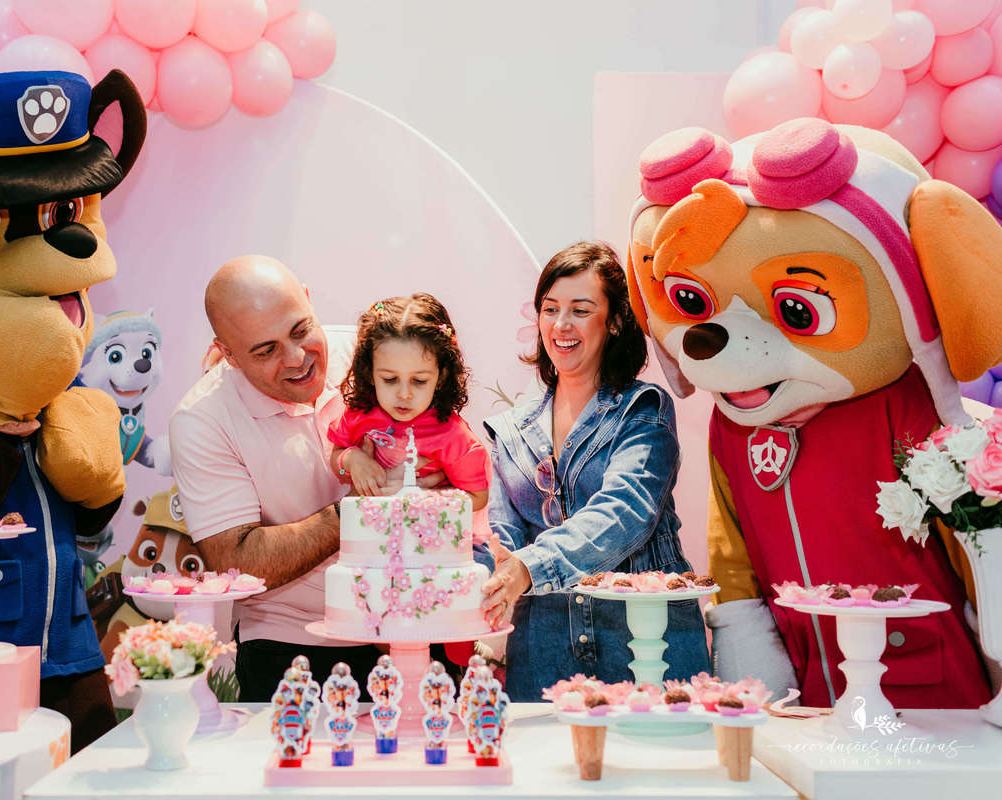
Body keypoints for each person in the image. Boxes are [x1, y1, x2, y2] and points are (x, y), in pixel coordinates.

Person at [169, 256, 443, 700]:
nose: (297, 359)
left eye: (301, 331)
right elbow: (237, 560)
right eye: (266, 350)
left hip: (414, 624)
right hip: (292, 643)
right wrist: (358, 507)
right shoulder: (202, 421)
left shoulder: (372, 355)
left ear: (310, 301)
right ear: (229, 353)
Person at [479, 241, 709, 701]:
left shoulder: (643, 410)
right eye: (550, 309)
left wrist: (530, 565)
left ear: (615, 320)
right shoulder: (512, 429)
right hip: (543, 647)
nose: (561, 325)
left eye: (580, 310)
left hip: (650, 644)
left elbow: (625, 511)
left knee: (668, 768)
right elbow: (502, 543)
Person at [328, 293, 490, 527]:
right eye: (390, 379)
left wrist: (425, 499)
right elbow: (337, 454)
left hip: (433, 544)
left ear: (441, 377)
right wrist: (352, 460)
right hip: (376, 538)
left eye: (419, 381)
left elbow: (478, 497)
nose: (404, 394)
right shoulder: (359, 414)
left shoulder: (454, 437)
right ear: (370, 373)